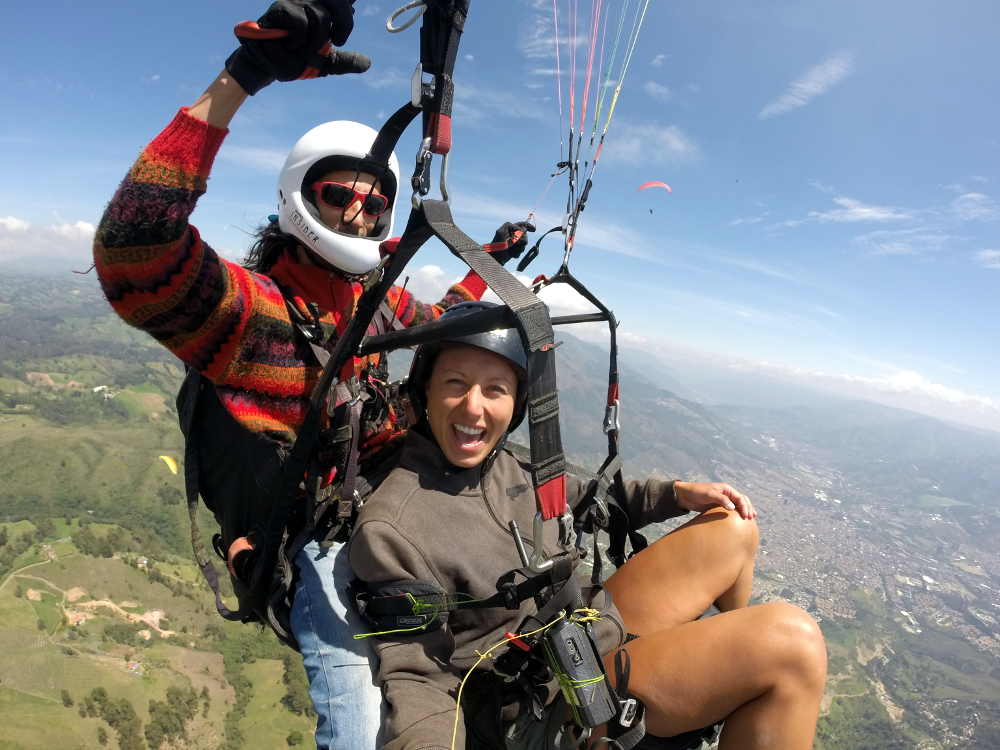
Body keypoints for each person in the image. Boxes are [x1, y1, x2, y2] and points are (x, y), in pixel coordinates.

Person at [92, 2, 531, 747]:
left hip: (386, 506)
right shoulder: (249, 314)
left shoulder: (371, 300)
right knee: (360, 725)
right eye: (340, 194)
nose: (361, 211)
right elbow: (135, 251)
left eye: (376, 201)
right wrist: (242, 77)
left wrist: (489, 260)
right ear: (302, 196)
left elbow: (438, 319)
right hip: (316, 544)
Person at [349, 301, 828, 750]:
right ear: (425, 391)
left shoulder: (503, 467)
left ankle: (725, 694)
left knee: (734, 526)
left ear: (516, 404)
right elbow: (415, 675)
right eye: (455, 383)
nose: (474, 407)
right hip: (545, 701)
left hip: (583, 627)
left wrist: (679, 494)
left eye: (495, 389)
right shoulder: (395, 526)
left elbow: (590, 500)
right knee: (793, 646)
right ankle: (728, 686)